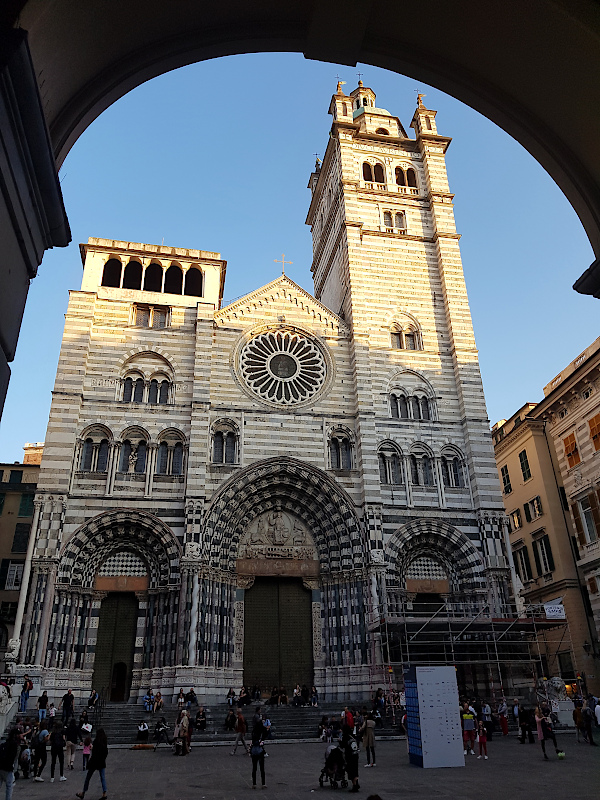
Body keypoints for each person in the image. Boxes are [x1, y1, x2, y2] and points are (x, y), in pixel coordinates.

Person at [76, 728, 108, 799]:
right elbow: (106, 752)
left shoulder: (96, 742)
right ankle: (104, 793)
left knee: (88, 777)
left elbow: (94, 753)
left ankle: (83, 792)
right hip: (102, 762)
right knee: (103, 778)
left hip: (94, 762)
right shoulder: (104, 742)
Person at [0, 727, 21, 799]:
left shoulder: (5, 743)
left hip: (1, 766)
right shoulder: (15, 745)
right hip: (8, 768)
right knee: (9, 786)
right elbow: (14, 758)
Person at [342, 724, 360, 793]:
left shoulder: (345, 736)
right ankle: (356, 783)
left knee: (350, 770)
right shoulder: (352, 735)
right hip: (355, 754)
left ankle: (354, 785)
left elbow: (343, 745)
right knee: (355, 770)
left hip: (349, 756)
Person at [250, 720, 267, 789]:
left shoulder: (254, 732)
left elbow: (253, 741)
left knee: (254, 768)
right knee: (262, 768)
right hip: (260, 751)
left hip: (254, 751)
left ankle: (254, 783)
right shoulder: (261, 733)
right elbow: (265, 733)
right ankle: (263, 783)